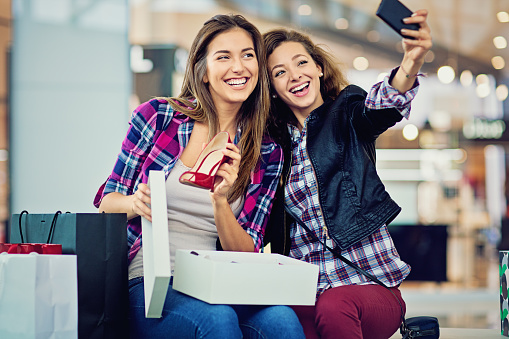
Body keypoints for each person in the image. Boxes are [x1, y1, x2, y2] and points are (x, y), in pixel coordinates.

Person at [94, 14, 304, 339]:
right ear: (203, 71)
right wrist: (137, 202)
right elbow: (107, 204)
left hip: (217, 284)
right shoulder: (158, 117)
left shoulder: (267, 151)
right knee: (215, 321)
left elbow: (246, 251)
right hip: (148, 282)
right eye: (224, 57)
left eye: (248, 55)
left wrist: (221, 201)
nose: (239, 67)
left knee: (283, 322)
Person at [262, 9, 432, 339]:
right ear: (271, 89)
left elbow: (378, 109)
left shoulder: (346, 110)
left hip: (369, 286)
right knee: (271, 320)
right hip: (305, 293)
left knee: (334, 305)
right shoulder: (273, 148)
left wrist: (411, 62)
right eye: (279, 72)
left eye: (301, 63)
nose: (294, 75)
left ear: (318, 67)